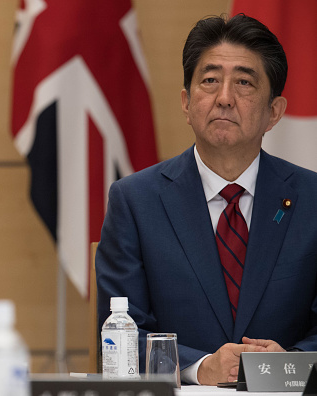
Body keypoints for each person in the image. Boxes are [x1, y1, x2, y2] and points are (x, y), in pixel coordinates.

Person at [96, 14, 317, 386]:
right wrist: (201, 368)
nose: (224, 99)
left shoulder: (311, 200)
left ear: (274, 113)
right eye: (210, 81)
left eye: (244, 83)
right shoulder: (135, 201)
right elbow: (120, 337)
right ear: (186, 102)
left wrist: (291, 364)